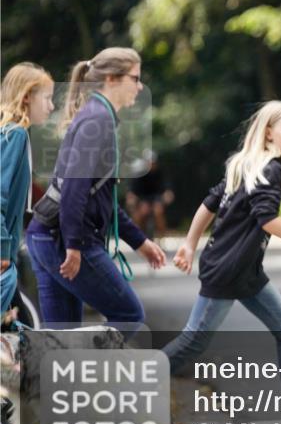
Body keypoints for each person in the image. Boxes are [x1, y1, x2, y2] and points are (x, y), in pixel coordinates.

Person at [164, 101, 281, 424]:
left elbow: (209, 204)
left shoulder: (249, 164)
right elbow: (267, 218)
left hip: (246, 272)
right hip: (228, 271)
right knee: (193, 341)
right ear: (269, 132)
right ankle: (126, 388)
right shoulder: (267, 168)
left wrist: (190, 243)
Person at [25, 48, 166, 329]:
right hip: (63, 240)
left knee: (62, 339)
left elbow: (102, 197)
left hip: (45, 236)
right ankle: (96, 360)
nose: (140, 87)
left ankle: (71, 359)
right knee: (129, 316)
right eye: (135, 78)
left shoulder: (97, 115)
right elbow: (74, 188)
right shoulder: (98, 119)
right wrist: (73, 245)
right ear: (111, 78)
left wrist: (139, 241)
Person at [1, 63, 55, 316]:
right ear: (26, 97)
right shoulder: (15, 136)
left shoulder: (10, 134)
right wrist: (3, 249)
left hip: (9, 256)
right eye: (47, 98)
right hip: (4, 259)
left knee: (20, 323)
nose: (51, 106)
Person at [127, 153, 174, 236]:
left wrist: (167, 195)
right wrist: (132, 201)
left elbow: (167, 189)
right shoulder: (139, 174)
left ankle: (161, 235)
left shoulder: (161, 172)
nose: (151, 165)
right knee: (141, 212)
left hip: (157, 198)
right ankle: (139, 236)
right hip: (142, 199)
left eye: (153, 163)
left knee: (158, 211)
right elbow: (132, 191)